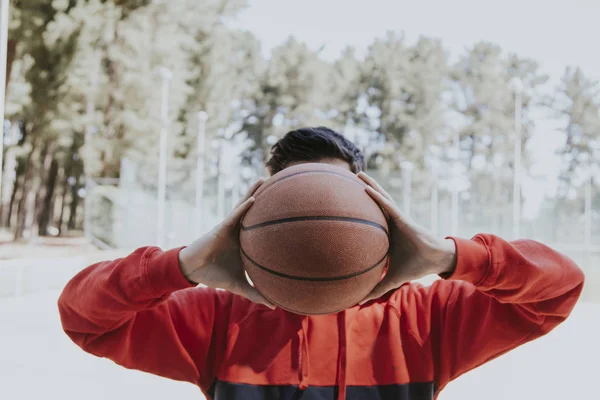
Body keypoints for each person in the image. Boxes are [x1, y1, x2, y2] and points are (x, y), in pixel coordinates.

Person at [58, 127, 584, 400]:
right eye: (298, 207)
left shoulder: (426, 318)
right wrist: (184, 265)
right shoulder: (217, 318)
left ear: (373, 209)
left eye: (333, 207)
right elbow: (83, 317)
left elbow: (558, 289)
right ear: (256, 210)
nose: (316, 226)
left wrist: (447, 255)